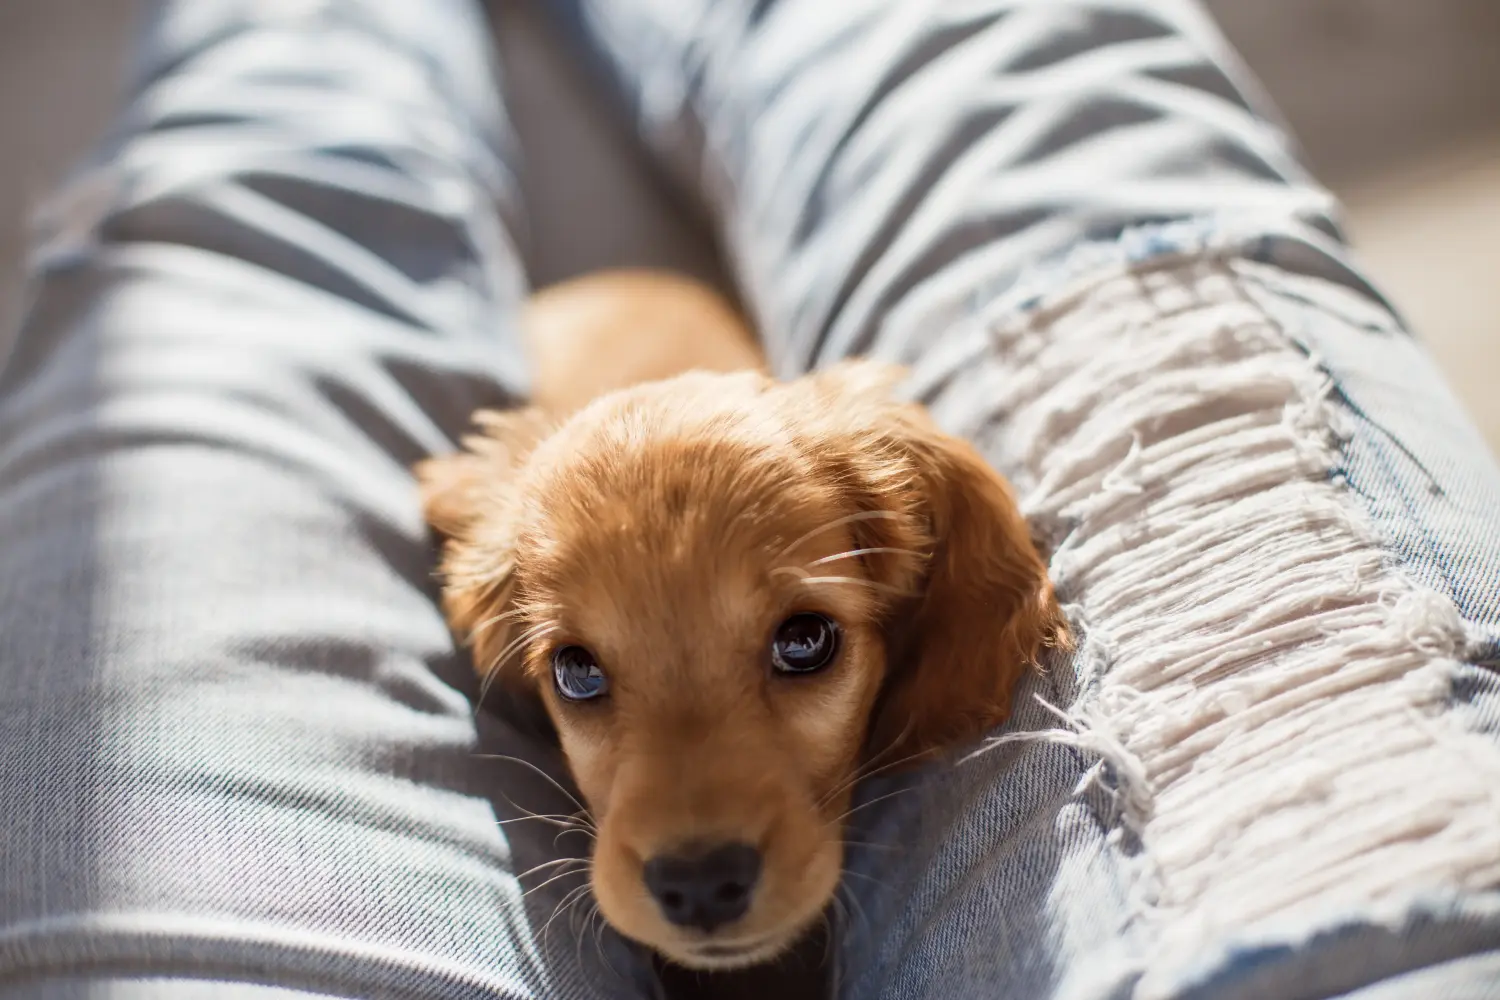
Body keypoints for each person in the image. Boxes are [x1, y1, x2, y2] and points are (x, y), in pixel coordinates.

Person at [2, 1, 1497, 997]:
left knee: (244, 202)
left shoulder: (922, 561)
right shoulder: (506, 557)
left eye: (798, 645)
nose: (694, 828)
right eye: (582, 676)